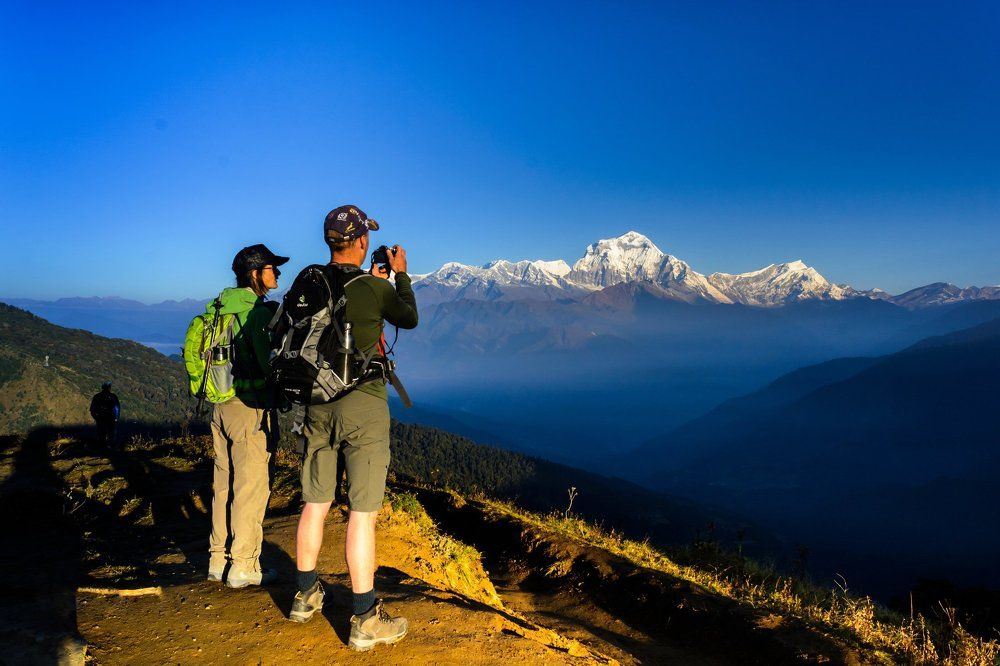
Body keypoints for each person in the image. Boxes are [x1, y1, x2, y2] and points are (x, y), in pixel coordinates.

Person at [289, 205, 418, 652]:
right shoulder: (373, 287)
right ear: (361, 241)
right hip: (362, 404)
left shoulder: (310, 283)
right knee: (362, 512)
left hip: (316, 403)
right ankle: (364, 618)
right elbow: (408, 317)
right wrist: (400, 275)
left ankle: (305, 595)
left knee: (315, 502)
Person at [206, 244, 288, 588]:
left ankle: (217, 559)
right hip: (249, 407)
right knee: (250, 487)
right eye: (272, 268)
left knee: (223, 485)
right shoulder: (256, 312)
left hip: (221, 404)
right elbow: (268, 363)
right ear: (255, 274)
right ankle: (244, 565)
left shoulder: (220, 305)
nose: (278, 274)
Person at [90, 381, 120, 447]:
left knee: (101, 433)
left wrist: (95, 417)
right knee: (111, 433)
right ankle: (110, 447)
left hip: (100, 417)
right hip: (110, 418)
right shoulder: (113, 396)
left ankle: (101, 446)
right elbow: (116, 408)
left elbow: (92, 409)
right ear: (109, 388)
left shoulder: (97, 396)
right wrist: (116, 418)